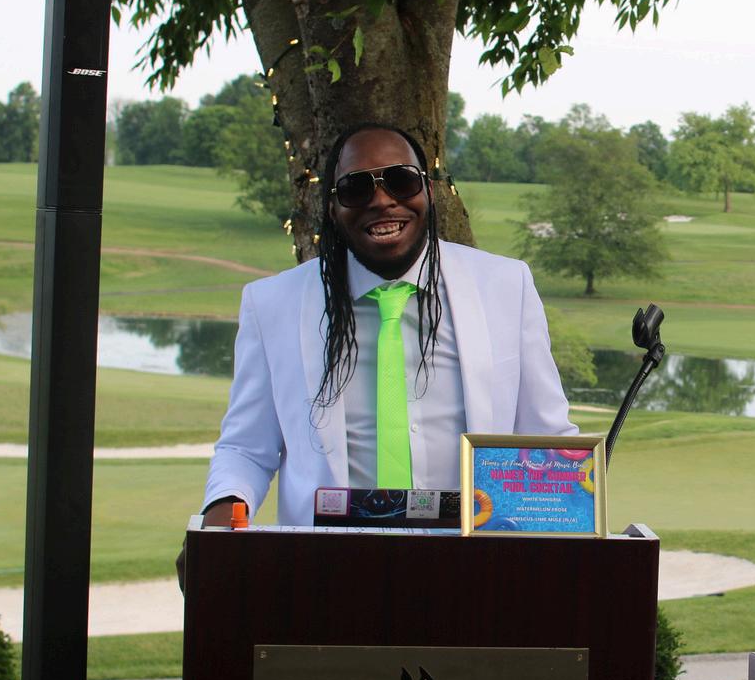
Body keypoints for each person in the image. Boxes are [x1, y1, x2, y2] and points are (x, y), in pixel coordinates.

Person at [201, 123, 576, 527]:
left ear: (428, 191)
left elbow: (546, 439)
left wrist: (580, 533)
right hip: (326, 559)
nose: (382, 200)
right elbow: (246, 448)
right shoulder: (272, 303)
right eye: (356, 189)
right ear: (333, 208)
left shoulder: (506, 286)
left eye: (401, 181)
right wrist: (215, 526)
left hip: (471, 558)